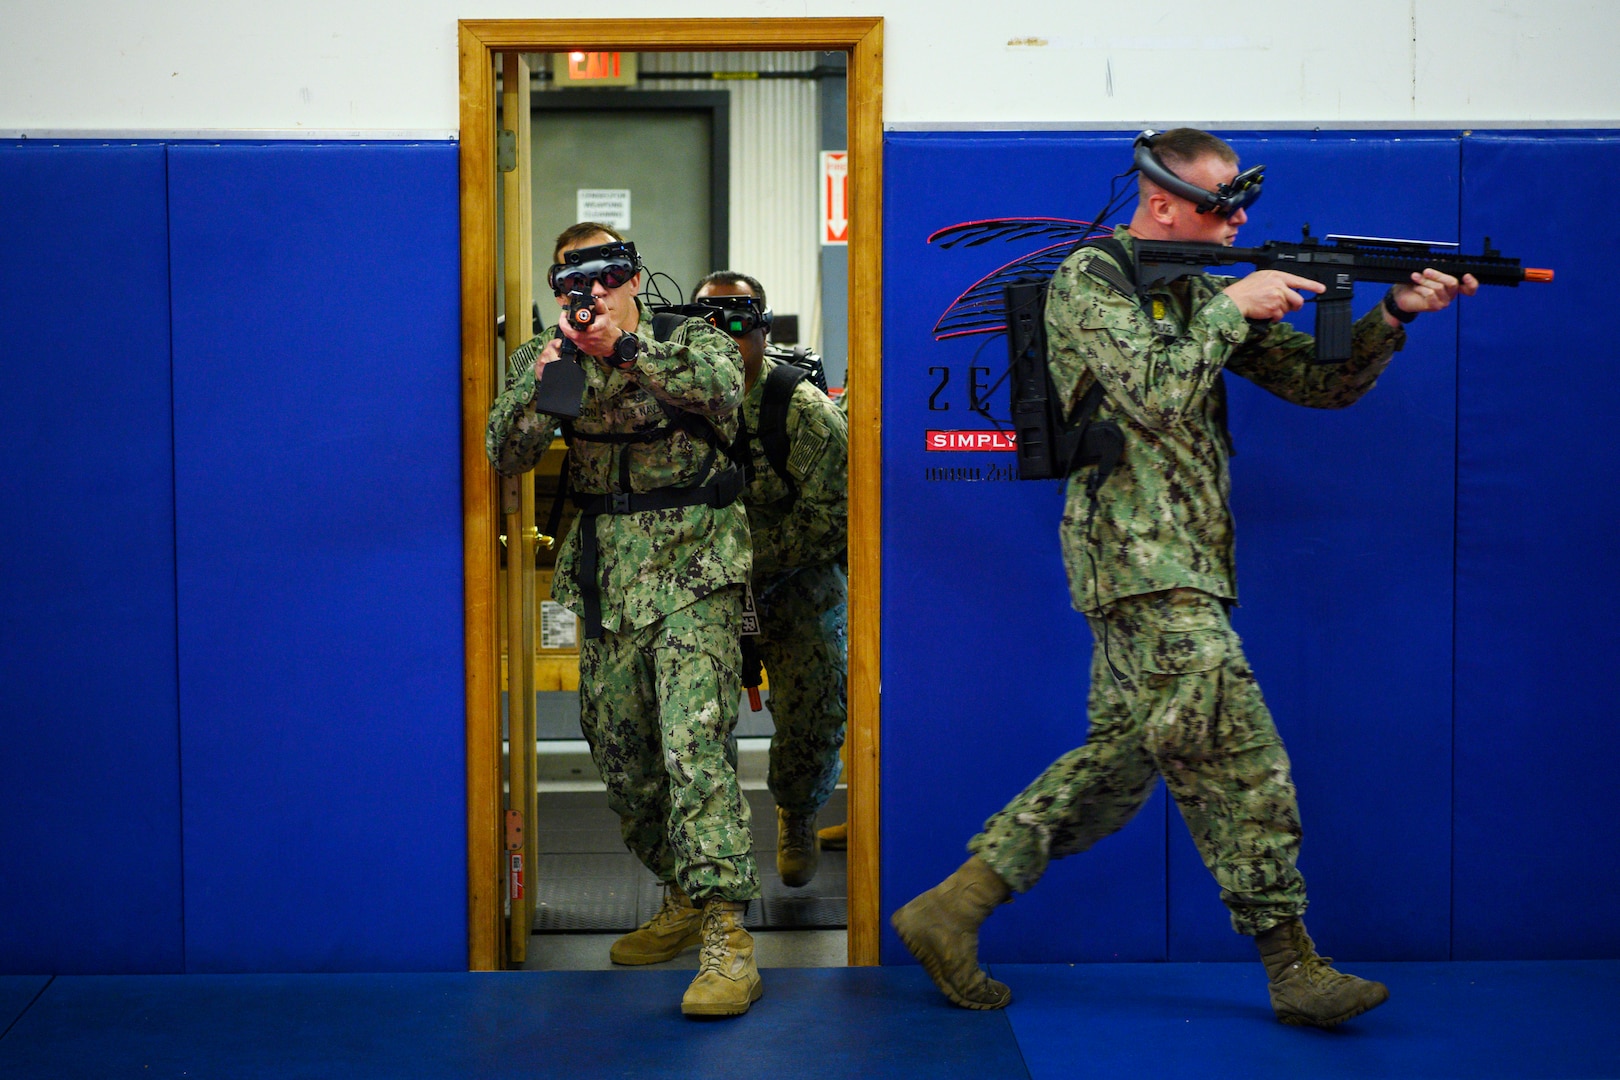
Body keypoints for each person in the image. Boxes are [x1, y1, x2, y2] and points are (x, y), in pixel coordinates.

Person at [891, 128, 1478, 1028]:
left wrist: (1390, 315)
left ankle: (952, 908)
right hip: (1136, 560)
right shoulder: (1095, 279)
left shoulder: (1199, 286)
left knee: (1119, 765)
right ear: (1162, 203)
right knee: (1240, 756)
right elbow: (1154, 393)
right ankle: (1292, 965)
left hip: (1189, 559)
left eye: (1242, 204)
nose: (1238, 219)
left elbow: (1319, 386)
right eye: (1218, 205)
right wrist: (1229, 306)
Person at [486, 223, 762, 1018]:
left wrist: (626, 351)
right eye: (573, 284)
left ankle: (727, 934)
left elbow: (721, 395)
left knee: (693, 747)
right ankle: (678, 894)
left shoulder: (692, 338)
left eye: (607, 277)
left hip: (696, 571)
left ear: (635, 277)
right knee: (622, 757)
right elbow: (504, 450)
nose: (591, 296)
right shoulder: (548, 354)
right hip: (608, 582)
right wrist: (553, 382)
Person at [692, 272, 849, 888]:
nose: (724, 334)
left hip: (796, 581)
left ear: (762, 326)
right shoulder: (676, 399)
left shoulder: (798, 408)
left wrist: (752, 559)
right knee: (695, 723)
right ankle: (709, 846)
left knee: (814, 716)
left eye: (738, 319)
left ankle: (798, 812)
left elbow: (836, 516)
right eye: (707, 319)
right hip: (705, 585)